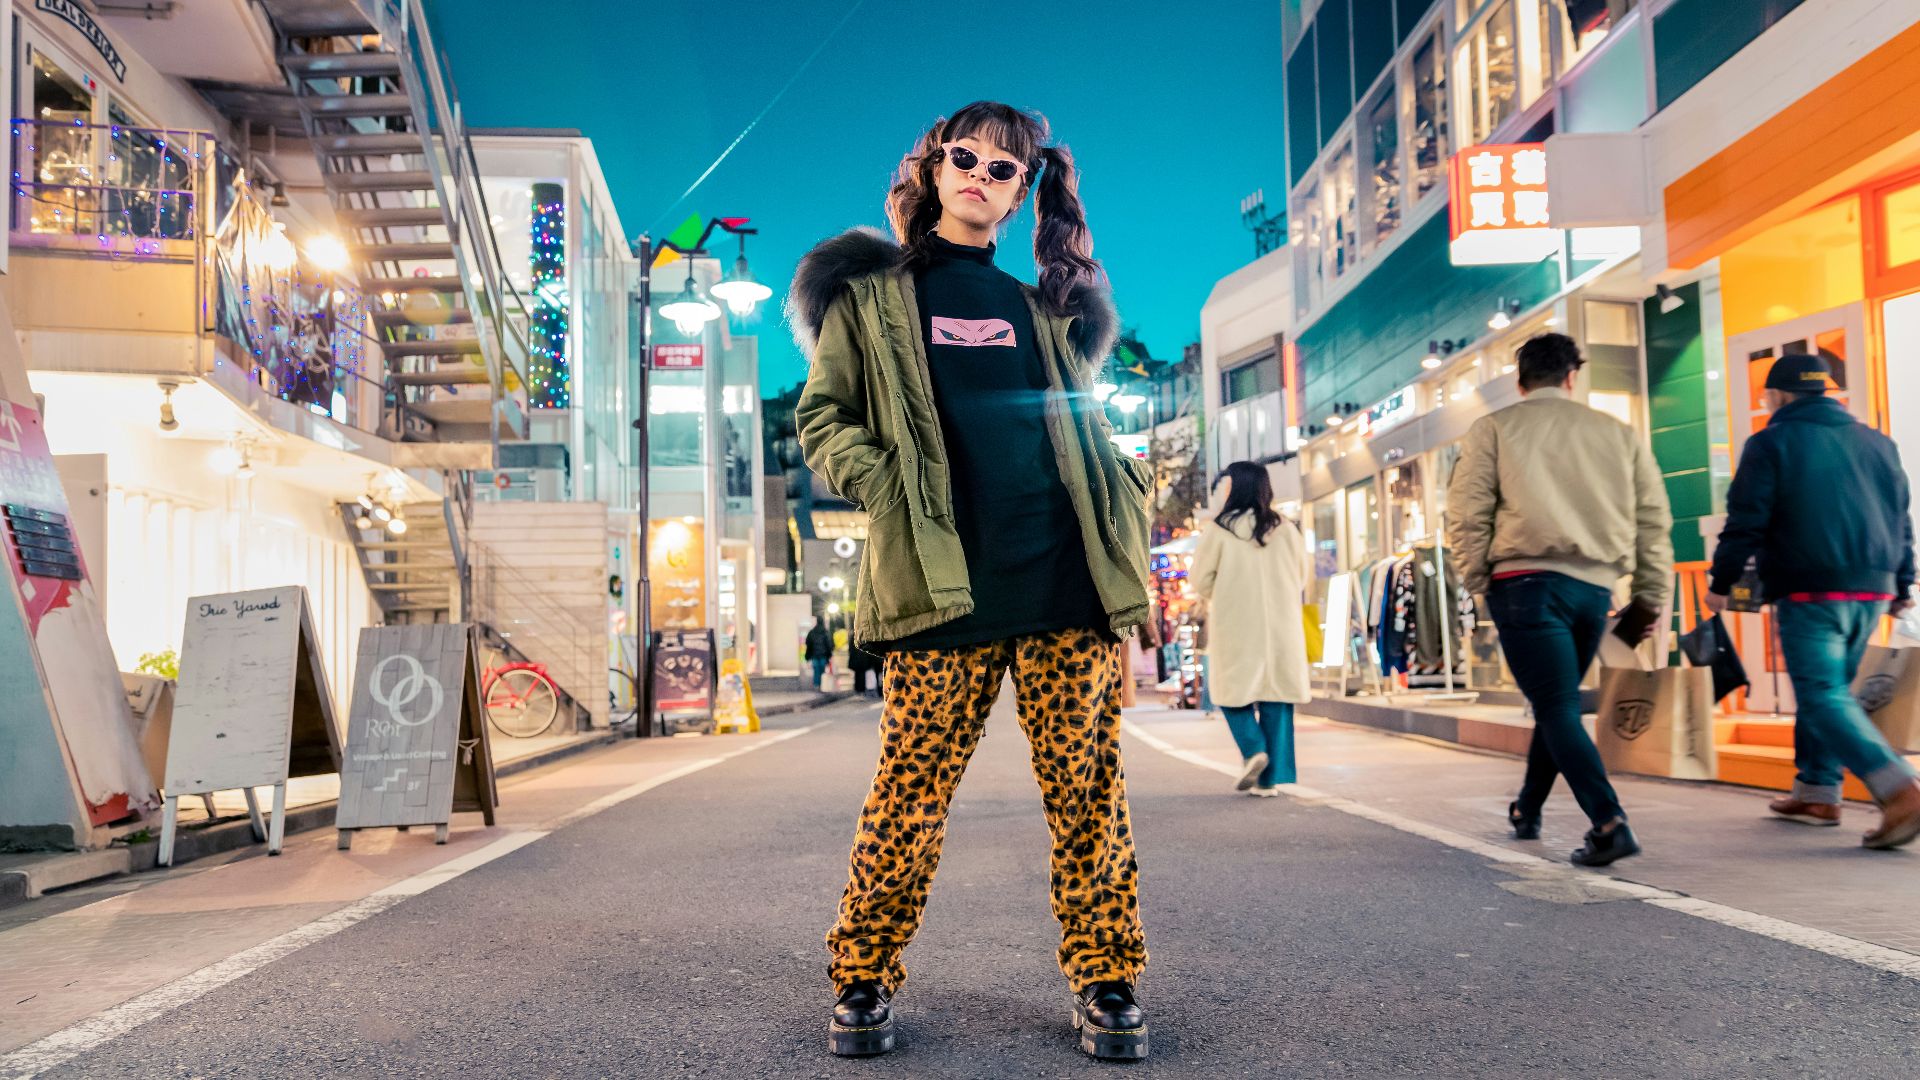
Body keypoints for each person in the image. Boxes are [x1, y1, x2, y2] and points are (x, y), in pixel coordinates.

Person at [790, 102, 1154, 1061]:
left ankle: (1108, 978)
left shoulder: (1041, 311)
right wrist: (884, 482)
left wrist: (1123, 515)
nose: (980, 178)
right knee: (910, 793)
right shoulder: (872, 298)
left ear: (1021, 191)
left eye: (1004, 170)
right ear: (934, 165)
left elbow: (1076, 433)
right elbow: (823, 417)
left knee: (1088, 791)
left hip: (1063, 584)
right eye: (966, 158)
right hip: (939, 589)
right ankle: (863, 975)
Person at [1447, 332, 1672, 867]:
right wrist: (1648, 596)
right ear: (1573, 377)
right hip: (1594, 589)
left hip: (1523, 583)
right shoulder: (1618, 433)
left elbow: (1467, 513)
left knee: (1555, 704)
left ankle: (1609, 821)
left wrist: (1480, 580)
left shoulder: (1494, 429)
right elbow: (1653, 521)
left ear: (1520, 381)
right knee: (1558, 701)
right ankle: (1527, 809)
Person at [1705, 353, 1920, 847]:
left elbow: (1745, 520)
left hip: (1812, 587)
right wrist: (1903, 584)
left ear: (1778, 397)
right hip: (1872, 586)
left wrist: (1721, 583)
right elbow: (1901, 520)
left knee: (1821, 694)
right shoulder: (1878, 443)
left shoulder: (1772, 442)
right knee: (1829, 692)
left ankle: (1897, 786)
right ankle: (1818, 792)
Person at [1191, 462, 1311, 796]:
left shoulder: (1219, 530)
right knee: (1276, 695)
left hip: (1235, 623)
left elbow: (1200, 580)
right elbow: (1301, 576)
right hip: (1281, 626)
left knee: (1230, 692)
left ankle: (1253, 748)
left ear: (1234, 488)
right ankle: (1269, 780)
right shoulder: (1285, 528)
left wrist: (1223, 590)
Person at [804, 618, 833, 690]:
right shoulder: (825, 632)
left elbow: (808, 644)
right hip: (823, 655)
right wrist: (829, 655)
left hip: (814, 655)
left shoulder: (812, 632)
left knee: (816, 670)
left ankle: (816, 685)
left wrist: (807, 656)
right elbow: (829, 645)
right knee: (822, 670)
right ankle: (821, 685)